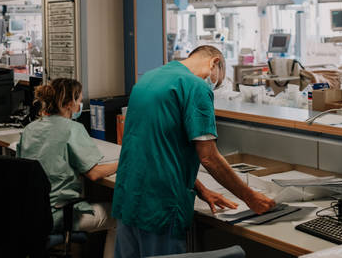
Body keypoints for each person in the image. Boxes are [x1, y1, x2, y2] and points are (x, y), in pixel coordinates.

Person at [113, 45, 275, 258]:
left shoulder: (148, 79)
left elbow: (156, 147)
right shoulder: (195, 86)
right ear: (214, 63)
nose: (213, 86)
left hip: (129, 199)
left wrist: (199, 188)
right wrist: (250, 197)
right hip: (160, 205)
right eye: (217, 81)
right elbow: (209, 157)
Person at [17, 78, 118, 258]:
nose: (80, 105)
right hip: (58, 213)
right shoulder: (73, 129)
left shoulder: (30, 129)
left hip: (28, 211)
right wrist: (124, 161)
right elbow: (94, 174)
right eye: (79, 101)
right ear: (70, 103)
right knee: (119, 215)